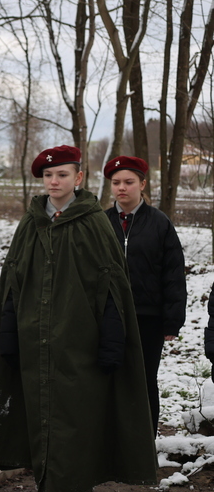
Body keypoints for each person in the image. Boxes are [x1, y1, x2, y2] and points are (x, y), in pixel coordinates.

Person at [0, 145, 157, 492]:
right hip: (33, 340)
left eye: (61, 174)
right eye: (47, 175)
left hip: (80, 344)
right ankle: (49, 489)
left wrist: (111, 342)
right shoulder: (30, 225)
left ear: (78, 177)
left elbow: (111, 289)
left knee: (75, 417)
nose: (54, 181)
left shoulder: (93, 223)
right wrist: (9, 336)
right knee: (41, 415)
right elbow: (12, 285)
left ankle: (74, 488)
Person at [103, 155, 186, 433]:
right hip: (108, 316)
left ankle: (145, 440)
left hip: (147, 318)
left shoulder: (160, 223)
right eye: (116, 183)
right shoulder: (100, 224)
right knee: (109, 376)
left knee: (144, 378)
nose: (121, 188)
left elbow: (173, 272)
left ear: (142, 184)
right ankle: (112, 441)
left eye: (128, 182)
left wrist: (172, 319)